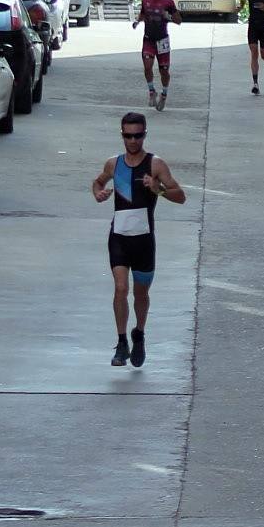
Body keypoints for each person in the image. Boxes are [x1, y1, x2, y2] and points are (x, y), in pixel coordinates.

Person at [91, 112, 186, 367]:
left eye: (138, 135)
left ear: (145, 134)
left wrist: (159, 190)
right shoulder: (114, 164)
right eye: (128, 136)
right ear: (121, 135)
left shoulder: (156, 165)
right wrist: (99, 193)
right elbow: (98, 182)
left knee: (141, 294)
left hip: (144, 241)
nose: (133, 141)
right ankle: (122, 343)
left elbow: (181, 196)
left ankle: (139, 334)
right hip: (119, 237)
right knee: (121, 288)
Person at [134, 0, 181, 111]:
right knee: (147, 66)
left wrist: (169, 17)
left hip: (162, 40)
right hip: (148, 39)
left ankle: (164, 94)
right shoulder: (145, 1)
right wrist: (137, 21)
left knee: (164, 71)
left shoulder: (168, 2)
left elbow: (179, 21)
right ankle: (151, 91)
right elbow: (142, 14)